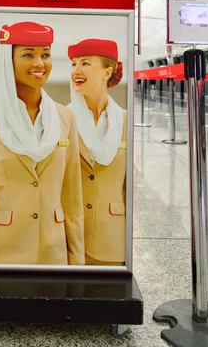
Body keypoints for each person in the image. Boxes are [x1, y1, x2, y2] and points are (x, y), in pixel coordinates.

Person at [0, 21, 84, 266]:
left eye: (45, 55)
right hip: (0, 248)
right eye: (28, 54)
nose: (40, 63)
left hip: (53, 248)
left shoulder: (64, 117)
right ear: (9, 60)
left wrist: (77, 259)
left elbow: (72, 195)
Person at [68, 38, 126, 266]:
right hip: (69, 236)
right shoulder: (64, 119)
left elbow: (127, 187)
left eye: (85, 63)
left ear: (106, 72)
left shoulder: (125, 121)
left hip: (111, 238)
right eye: (73, 64)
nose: (76, 70)